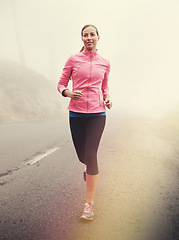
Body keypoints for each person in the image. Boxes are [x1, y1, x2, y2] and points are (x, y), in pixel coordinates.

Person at [57, 24, 112, 220]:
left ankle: (89, 204)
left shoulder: (105, 62)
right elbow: (61, 83)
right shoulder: (73, 59)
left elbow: (104, 86)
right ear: (82, 38)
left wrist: (107, 98)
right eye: (85, 35)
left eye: (92, 34)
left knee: (91, 155)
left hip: (98, 114)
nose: (89, 37)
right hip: (77, 114)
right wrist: (68, 92)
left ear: (98, 37)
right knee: (83, 157)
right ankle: (88, 169)